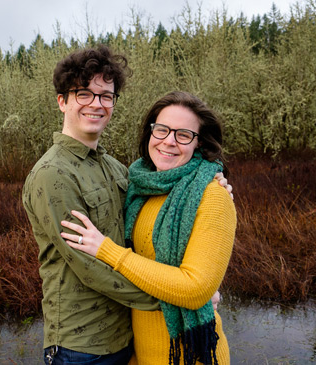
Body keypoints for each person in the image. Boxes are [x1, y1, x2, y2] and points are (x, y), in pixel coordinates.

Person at [23, 47, 229, 365]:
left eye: (106, 95)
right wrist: (182, 299)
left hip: (128, 338)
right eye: (84, 93)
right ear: (62, 101)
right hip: (83, 346)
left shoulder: (120, 170)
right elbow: (90, 269)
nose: (97, 103)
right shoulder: (53, 174)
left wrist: (210, 180)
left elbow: (149, 221)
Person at [60, 91, 234, 365]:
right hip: (141, 352)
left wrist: (108, 251)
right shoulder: (139, 187)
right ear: (150, 133)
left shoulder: (212, 196)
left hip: (190, 356)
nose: (169, 141)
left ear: (198, 143)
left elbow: (195, 289)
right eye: (162, 130)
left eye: (184, 135)